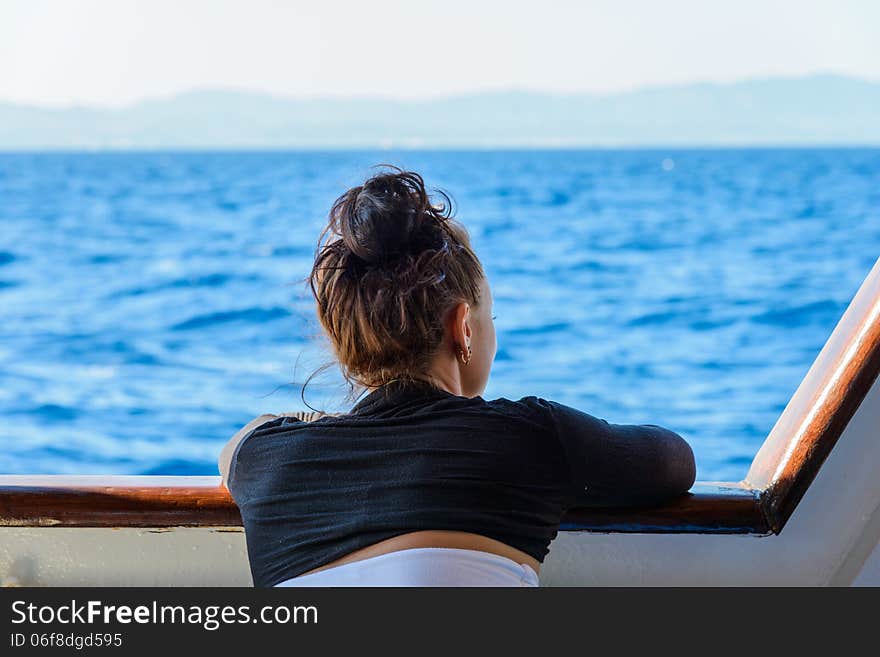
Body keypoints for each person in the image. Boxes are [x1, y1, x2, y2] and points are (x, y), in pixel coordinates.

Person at [218, 166, 696, 587]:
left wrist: (290, 425)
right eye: (492, 316)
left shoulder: (267, 461)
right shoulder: (529, 438)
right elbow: (674, 462)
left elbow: (237, 447)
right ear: (463, 327)